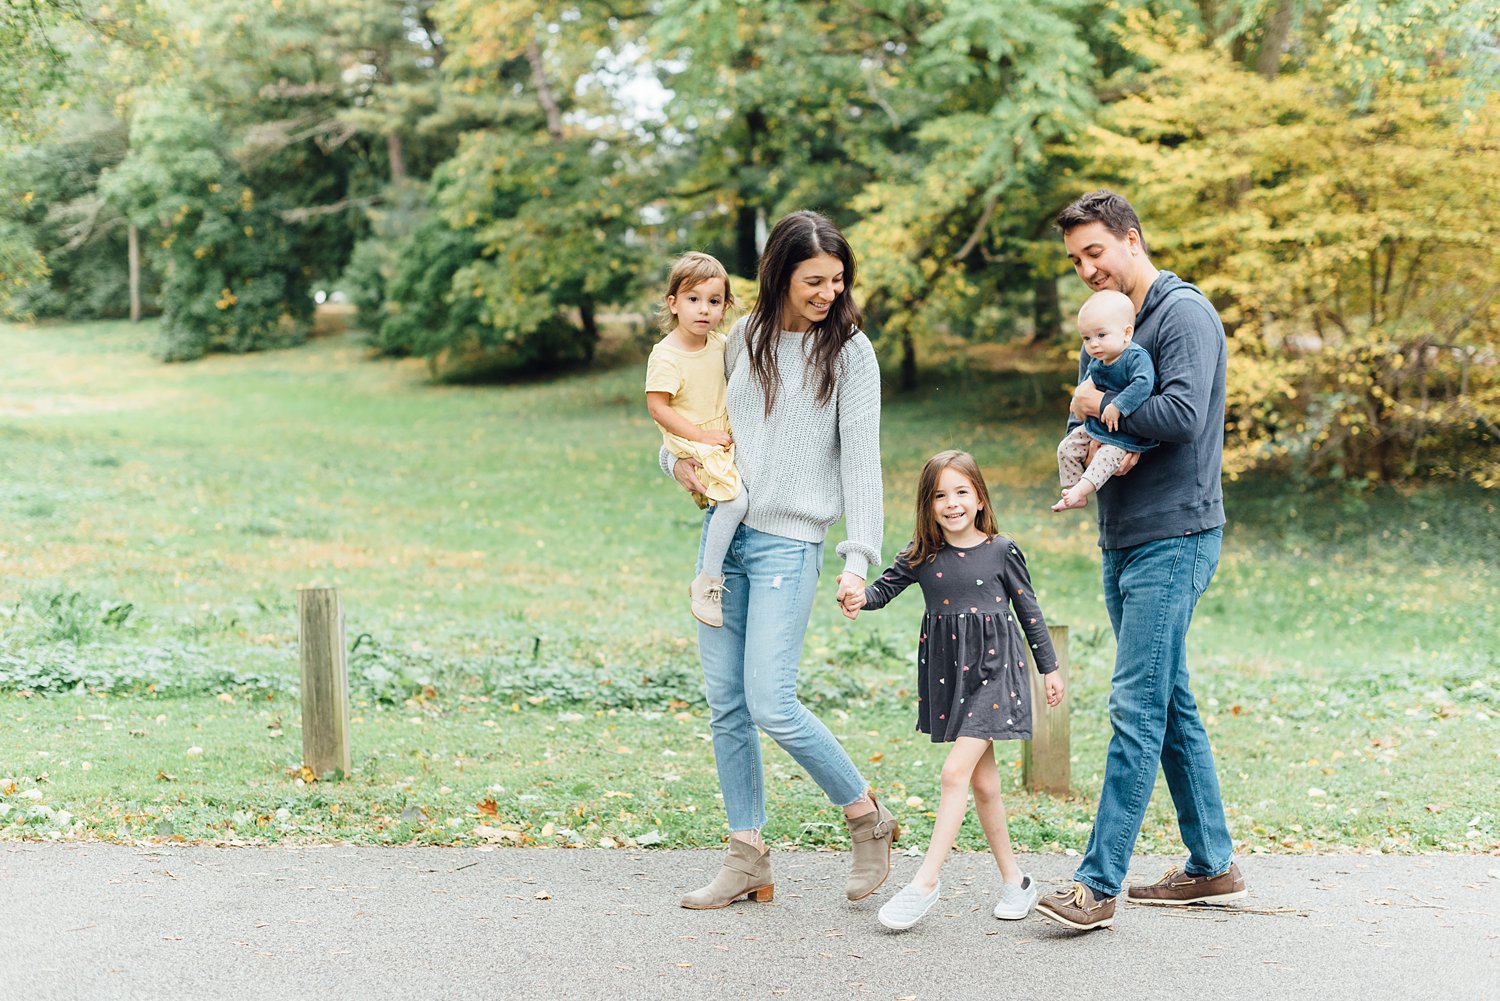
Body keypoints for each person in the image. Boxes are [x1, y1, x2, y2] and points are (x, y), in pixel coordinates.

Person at [662, 210, 899, 910]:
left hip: (791, 544)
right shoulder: (745, 339)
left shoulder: (852, 353)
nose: (828, 292)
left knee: (771, 698)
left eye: (837, 280)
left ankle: (867, 818)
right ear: (780, 275)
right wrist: (676, 465)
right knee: (727, 704)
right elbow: (690, 420)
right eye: (813, 280)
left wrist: (859, 559)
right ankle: (747, 857)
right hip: (722, 538)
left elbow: (863, 465)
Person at [1035, 190, 1245, 932]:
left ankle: (1097, 884)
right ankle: (1210, 862)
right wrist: (1084, 418)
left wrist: (1093, 411)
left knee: (1135, 703)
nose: (1087, 268)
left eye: (1096, 251)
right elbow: (1083, 408)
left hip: (1176, 536)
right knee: (1168, 697)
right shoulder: (1105, 327)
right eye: (1075, 260)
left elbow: (1184, 417)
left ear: (1131, 238)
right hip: (1123, 536)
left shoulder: (1182, 314)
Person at [840, 450, 1063, 930]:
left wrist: (1049, 668)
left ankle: (925, 881)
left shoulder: (1002, 549)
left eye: (961, 492)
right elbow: (882, 591)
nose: (951, 503)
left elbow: (1030, 612)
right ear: (928, 504)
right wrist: (859, 595)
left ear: (980, 499)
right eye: (940, 495)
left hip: (996, 673)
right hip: (951, 676)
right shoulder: (922, 554)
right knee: (983, 782)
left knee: (953, 773)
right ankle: (1016, 882)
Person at [644, 252, 748, 627]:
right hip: (690, 438)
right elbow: (659, 408)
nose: (704, 309)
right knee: (736, 503)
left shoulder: (721, 345)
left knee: (728, 495)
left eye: (714, 301)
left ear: (725, 307)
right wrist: (700, 436)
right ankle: (707, 581)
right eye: (693, 299)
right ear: (673, 303)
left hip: (718, 434)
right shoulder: (667, 355)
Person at [1052, 289, 1157, 512]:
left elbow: (1143, 384)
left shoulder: (1135, 357)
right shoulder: (1100, 359)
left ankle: (1081, 491)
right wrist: (1081, 395)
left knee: (1106, 458)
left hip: (1124, 432)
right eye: (1087, 338)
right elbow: (1091, 379)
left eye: (1101, 335)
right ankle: (1072, 488)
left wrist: (1117, 405)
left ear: (1126, 333)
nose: (1093, 344)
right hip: (1099, 425)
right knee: (1067, 447)